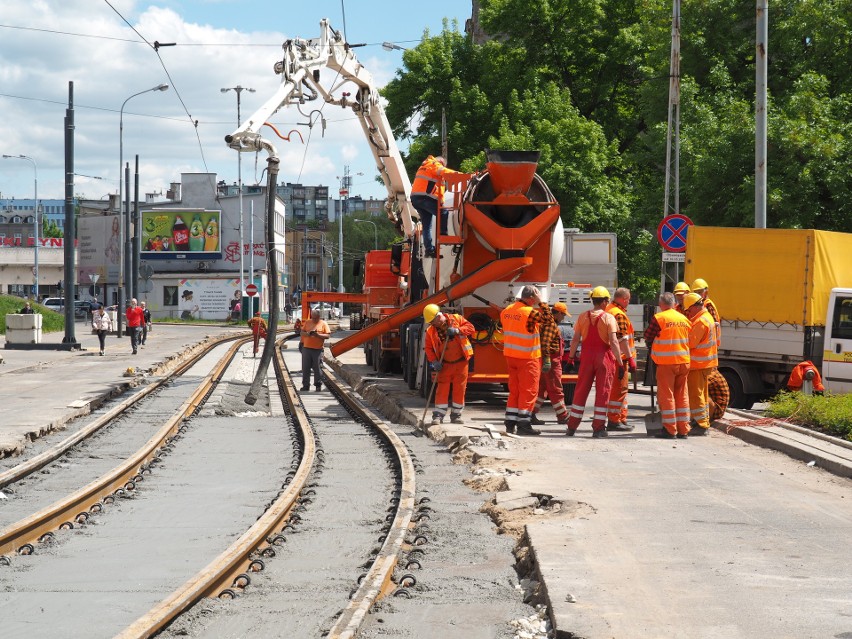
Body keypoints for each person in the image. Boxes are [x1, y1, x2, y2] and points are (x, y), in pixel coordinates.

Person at [565, 286, 622, 437]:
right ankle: (598, 429)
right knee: (602, 392)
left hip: (586, 358)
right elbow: (614, 342)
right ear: (604, 302)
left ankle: (572, 427)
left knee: (581, 391)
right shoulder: (608, 317)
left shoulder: (583, 316)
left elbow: (575, 339)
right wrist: (620, 362)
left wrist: (571, 357)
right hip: (604, 358)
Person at [644, 292, 691, 439]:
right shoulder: (684, 318)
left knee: (667, 395)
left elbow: (648, 336)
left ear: (661, 304)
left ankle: (670, 430)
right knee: (682, 395)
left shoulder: (660, 318)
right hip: (684, 361)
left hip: (666, 363)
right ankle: (683, 429)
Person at [500, 285, 545, 436]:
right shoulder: (530, 313)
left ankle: (510, 423)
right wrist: (542, 302)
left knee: (515, 391)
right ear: (532, 299)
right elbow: (549, 320)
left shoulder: (507, 311)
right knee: (528, 391)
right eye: (535, 299)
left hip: (511, 357)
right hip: (528, 358)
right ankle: (524, 425)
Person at [423, 304, 475, 425]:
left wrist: (457, 330)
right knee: (442, 389)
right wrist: (434, 362)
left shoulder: (456, 319)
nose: (432, 324)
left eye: (433, 321)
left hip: (461, 362)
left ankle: (456, 415)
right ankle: (438, 416)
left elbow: (471, 328)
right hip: (445, 364)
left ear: (438, 316)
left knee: (459, 389)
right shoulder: (430, 331)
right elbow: (429, 348)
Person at [683, 292, 718, 436]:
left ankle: (701, 425)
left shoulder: (700, 322)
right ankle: (701, 421)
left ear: (694, 307)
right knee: (702, 394)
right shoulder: (707, 317)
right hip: (704, 363)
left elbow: (691, 342)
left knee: (696, 394)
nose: (688, 313)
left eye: (689, 310)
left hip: (698, 364)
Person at [531, 302, 570, 425]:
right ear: (557, 313)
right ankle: (562, 415)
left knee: (541, 389)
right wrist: (547, 359)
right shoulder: (551, 325)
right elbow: (545, 343)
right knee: (556, 389)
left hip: (545, 360)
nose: (563, 318)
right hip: (551, 361)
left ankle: (531, 413)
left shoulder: (546, 324)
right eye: (563, 315)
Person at [411, 154, 457, 258]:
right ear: (441, 162)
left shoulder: (424, 166)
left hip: (416, 199)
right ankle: (443, 234)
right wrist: (460, 175)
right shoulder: (433, 164)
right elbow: (444, 171)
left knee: (427, 226)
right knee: (443, 212)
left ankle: (429, 250)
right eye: (443, 165)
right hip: (424, 198)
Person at [605, 288, 638, 431]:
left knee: (619, 390)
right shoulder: (619, 315)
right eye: (628, 299)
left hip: (612, 357)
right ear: (624, 299)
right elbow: (623, 340)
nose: (629, 302)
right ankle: (614, 420)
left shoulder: (609, 309)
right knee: (619, 390)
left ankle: (621, 417)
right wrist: (630, 358)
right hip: (620, 358)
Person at [300, 308, 331, 391]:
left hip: (318, 349)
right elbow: (301, 332)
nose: (314, 319)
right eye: (313, 318)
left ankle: (318, 385)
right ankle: (306, 385)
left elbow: (327, 336)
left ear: (319, 317)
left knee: (317, 368)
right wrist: (308, 334)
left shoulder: (323, 324)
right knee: (305, 368)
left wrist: (318, 335)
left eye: (316, 318)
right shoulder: (307, 322)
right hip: (306, 348)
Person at [691, 278, 721, 345]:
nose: (697, 294)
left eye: (700, 292)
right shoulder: (695, 305)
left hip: (708, 341)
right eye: (695, 292)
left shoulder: (708, 304)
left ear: (706, 292)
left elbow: (714, 324)